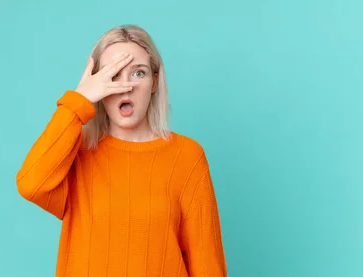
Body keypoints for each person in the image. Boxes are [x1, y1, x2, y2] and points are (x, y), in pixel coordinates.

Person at [16, 24, 227, 277]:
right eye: (112, 75)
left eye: (138, 73)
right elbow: (31, 184)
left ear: (154, 82)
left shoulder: (187, 156)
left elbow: (207, 264)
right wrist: (78, 101)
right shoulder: (77, 152)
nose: (125, 86)